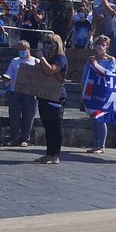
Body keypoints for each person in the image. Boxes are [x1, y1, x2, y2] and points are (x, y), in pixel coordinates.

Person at [33, 33, 68, 164]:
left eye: (49, 42)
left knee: (55, 126)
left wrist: (41, 58)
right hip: (45, 95)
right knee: (47, 126)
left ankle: (55, 155)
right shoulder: (49, 58)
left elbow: (50, 70)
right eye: (45, 42)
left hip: (56, 96)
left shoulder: (60, 58)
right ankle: (49, 153)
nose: (47, 45)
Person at [84, 36, 116, 154]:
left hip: (103, 91)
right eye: (98, 44)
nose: (100, 46)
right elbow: (85, 76)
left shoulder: (111, 59)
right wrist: (82, 91)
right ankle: (95, 144)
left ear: (107, 47)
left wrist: (96, 64)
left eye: (103, 45)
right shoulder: (91, 59)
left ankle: (101, 145)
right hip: (91, 91)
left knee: (100, 118)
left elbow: (109, 74)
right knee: (93, 118)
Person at [3, 40, 39, 146]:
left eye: (23, 50)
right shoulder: (15, 61)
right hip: (15, 91)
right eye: (19, 50)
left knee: (28, 116)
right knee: (14, 116)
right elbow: (9, 74)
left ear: (28, 49)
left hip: (30, 93)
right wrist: (6, 78)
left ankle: (25, 139)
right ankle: (14, 138)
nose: (21, 52)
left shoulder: (36, 61)